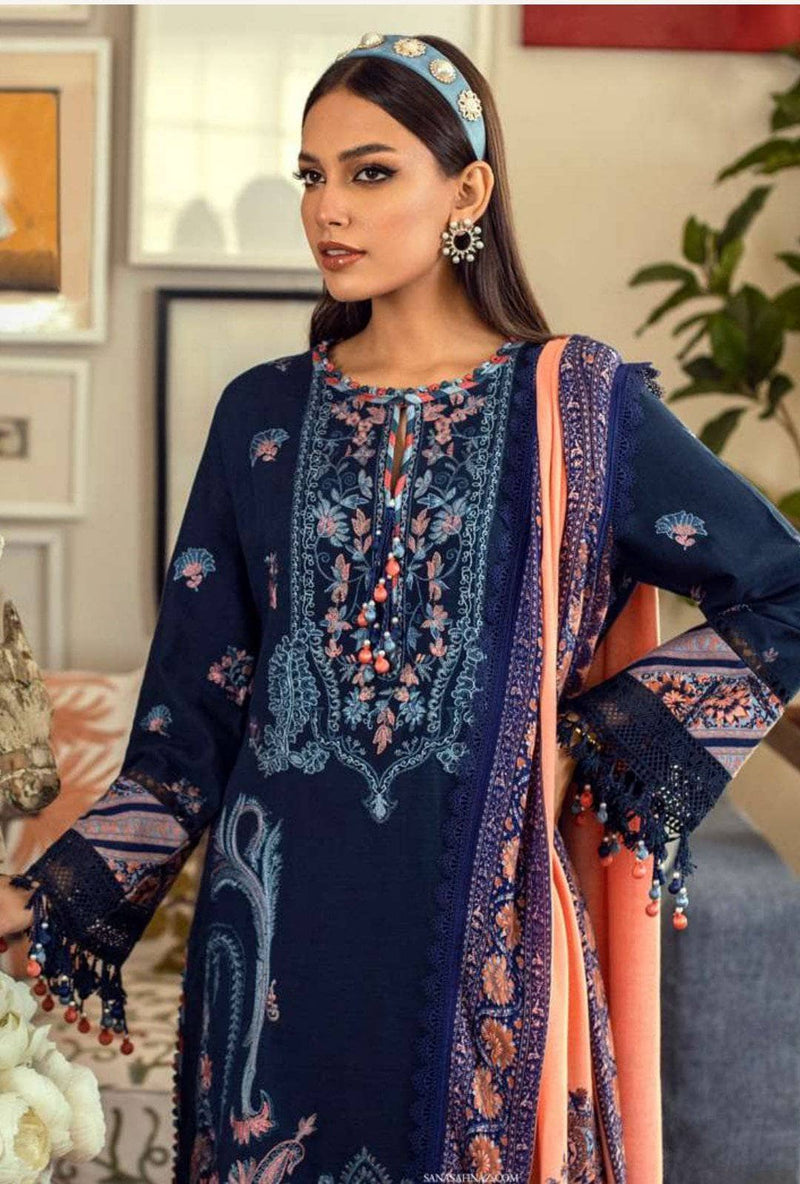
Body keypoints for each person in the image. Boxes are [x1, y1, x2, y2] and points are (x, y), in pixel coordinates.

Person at [1, 30, 799, 1184]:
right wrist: (44, 896)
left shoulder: (573, 405)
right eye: (311, 175)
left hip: (479, 940)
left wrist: (589, 740)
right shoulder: (260, 415)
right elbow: (186, 736)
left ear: (466, 191)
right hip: (272, 955)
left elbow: (778, 585)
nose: (327, 208)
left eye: (369, 172)